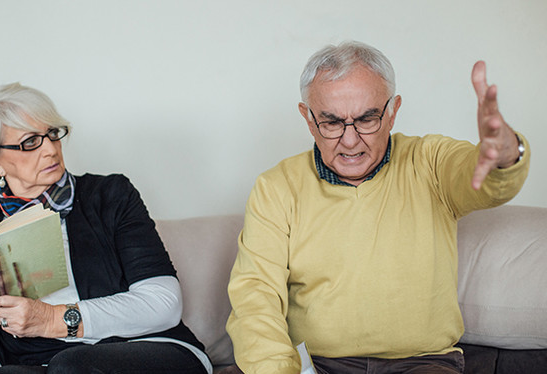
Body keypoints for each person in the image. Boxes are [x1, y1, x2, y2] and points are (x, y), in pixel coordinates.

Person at [226, 40, 530, 374]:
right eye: (331, 123)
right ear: (308, 119)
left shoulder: (429, 162)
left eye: (367, 119)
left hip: (422, 364)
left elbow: (485, 179)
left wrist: (504, 152)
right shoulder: (277, 187)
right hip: (317, 364)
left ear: (392, 112)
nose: (351, 139)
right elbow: (256, 297)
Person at [0, 82, 212, 374]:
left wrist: (52, 319)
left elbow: (164, 304)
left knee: (71, 366)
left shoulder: (110, 195)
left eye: (52, 134)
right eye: (30, 142)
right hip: (40, 361)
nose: (51, 150)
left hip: (147, 348)